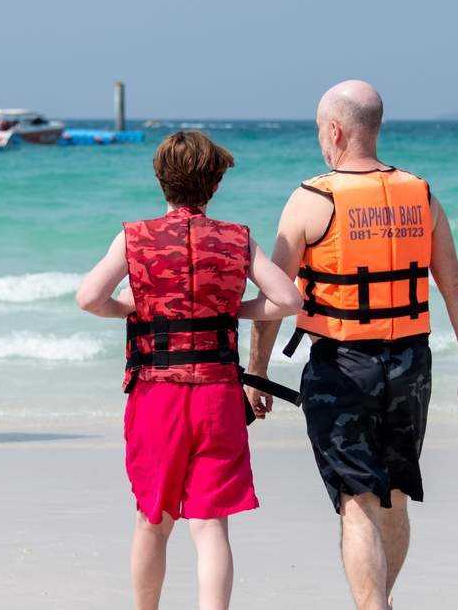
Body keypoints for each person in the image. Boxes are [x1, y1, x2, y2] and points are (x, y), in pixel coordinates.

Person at [244, 80, 458, 610]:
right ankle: (381, 603)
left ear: (334, 131)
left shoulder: (313, 198)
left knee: (357, 504)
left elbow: (276, 298)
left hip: (342, 366)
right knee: (394, 495)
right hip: (410, 364)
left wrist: (258, 376)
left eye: (318, 131)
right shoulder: (421, 194)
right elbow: (455, 287)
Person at [76, 131, 302, 610]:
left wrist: (131, 310)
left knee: (152, 521)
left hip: (157, 396)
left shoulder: (135, 237)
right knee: (210, 523)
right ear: (215, 185)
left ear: (161, 180)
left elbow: (89, 298)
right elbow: (287, 300)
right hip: (218, 395)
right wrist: (229, 312)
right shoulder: (236, 238)